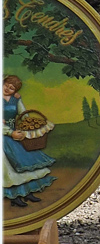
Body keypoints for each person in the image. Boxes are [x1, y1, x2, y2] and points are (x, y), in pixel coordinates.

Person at [4, 75, 56, 206]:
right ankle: (14, 196)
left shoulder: (16, 99)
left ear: (15, 91)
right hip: (4, 134)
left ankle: (27, 192)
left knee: (27, 157)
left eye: (11, 88)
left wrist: (26, 124)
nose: (7, 89)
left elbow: (23, 114)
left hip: (16, 131)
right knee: (9, 164)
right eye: (6, 85)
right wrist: (10, 133)